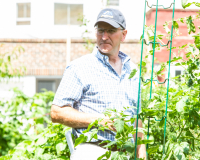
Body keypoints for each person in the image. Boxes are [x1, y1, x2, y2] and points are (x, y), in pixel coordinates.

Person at [50, 8, 146, 160]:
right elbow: (57, 112)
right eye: (100, 30)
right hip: (92, 151)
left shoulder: (132, 71)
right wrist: (99, 120)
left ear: (124, 34)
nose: (104, 36)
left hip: (125, 154)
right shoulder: (80, 67)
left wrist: (141, 153)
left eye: (110, 30)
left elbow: (136, 118)